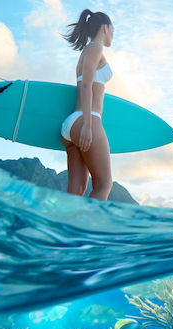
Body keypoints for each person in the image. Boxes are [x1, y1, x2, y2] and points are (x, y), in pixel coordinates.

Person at [60, 10, 114, 200]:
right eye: (113, 29)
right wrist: (88, 125)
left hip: (71, 126)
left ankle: (63, 227)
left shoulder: (88, 51)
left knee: (77, 189)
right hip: (86, 119)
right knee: (104, 184)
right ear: (105, 28)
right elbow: (86, 84)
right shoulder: (95, 48)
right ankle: (87, 229)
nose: (113, 35)